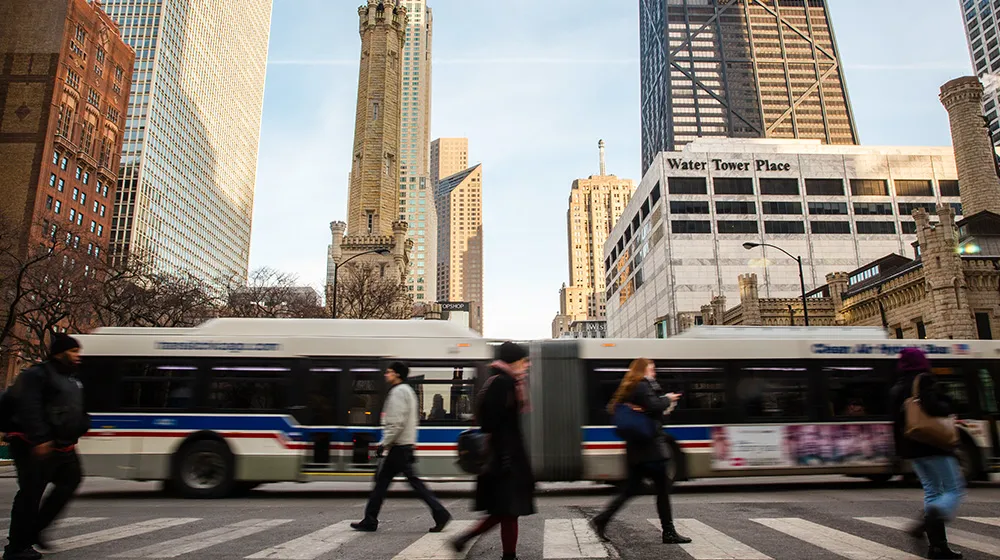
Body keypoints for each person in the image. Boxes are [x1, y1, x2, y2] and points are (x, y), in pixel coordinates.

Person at [4, 333, 90, 560]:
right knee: (30, 494)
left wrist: (83, 424)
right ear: (59, 353)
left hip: (63, 445)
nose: (77, 356)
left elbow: (77, 408)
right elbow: (29, 408)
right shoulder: (36, 375)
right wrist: (40, 439)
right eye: (73, 352)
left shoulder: (73, 378)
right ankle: (16, 548)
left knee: (70, 482)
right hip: (32, 444)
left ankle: (35, 530)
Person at [591, 358, 691, 545]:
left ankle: (602, 519)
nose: (654, 372)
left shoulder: (629, 387)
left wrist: (651, 407)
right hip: (650, 448)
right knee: (662, 489)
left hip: (636, 448)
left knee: (631, 489)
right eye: (651, 369)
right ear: (643, 370)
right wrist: (667, 399)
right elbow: (654, 406)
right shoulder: (643, 385)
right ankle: (668, 532)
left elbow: (644, 408)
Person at [450, 342, 535, 560]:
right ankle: (470, 540)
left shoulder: (495, 381)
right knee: (507, 511)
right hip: (504, 459)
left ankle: (486, 546)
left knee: (505, 511)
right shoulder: (505, 384)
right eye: (523, 360)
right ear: (513, 361)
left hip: (502, 457)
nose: (527, 365)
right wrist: (507, 459)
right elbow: (498, 424)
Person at [351, 362, 451, 533]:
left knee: (401, 484)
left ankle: (440, 513)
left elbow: (396, 423)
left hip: (398, 447)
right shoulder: (408, 391)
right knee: (385, 483)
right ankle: (370, 518)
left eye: (389, 372)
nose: (385, 375)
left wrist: (385, 443)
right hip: (404, 445)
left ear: (397, 374)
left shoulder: (398, 392)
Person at [890, 348, 965, 560]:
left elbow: (896, 423)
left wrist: (901, 452)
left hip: (913, 449)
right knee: (953, 489)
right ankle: (931, 517)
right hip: (933, 444)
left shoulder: (896, 387)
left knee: (932, 492)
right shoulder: (922, 380)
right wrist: (949, 403)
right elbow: (934, 407)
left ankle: (938, 546)